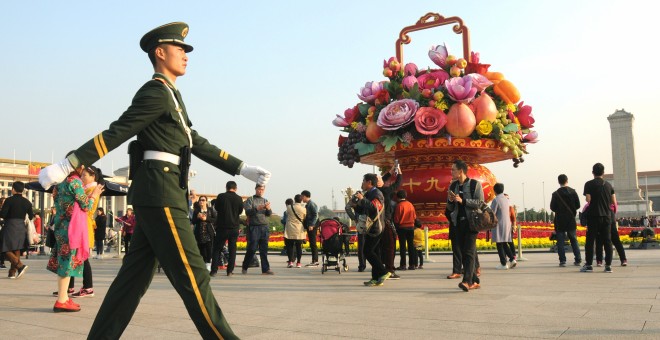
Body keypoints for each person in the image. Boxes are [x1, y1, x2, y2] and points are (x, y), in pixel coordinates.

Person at [37, 22, 270, 339]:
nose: (186, 55)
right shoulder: (155, 92)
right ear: (160, 52)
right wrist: (70, 163)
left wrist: (240, 167)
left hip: (159, 193)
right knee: (194, 275)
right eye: (180, 49)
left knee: (131, 281)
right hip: (161, 195)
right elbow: (118, 130)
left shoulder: (172, 95)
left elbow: (194, 140)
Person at [48, 167, 103, 312]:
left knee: (64, 263)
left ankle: (64, 297)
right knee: (67, 265)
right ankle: (61, 300)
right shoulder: (75, 182)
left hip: (61, 227)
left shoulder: (59, 183)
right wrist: (95, 194)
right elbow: (86, 206)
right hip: (72, 229)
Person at [446, 160, 484, 291]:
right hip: (457, 223)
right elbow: (449, 207)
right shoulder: (453, 186)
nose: (451, 172)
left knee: (468, 252)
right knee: (464, 252)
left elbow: (480, 202)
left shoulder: (475, 184)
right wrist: (451, 201)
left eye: (453, 170)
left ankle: (467, 281)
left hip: (471, 222)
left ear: (460, 171)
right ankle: (474, 280)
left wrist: (463, 201)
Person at [67, 165, 105, 298]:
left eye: (85, 175)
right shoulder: (85, 189)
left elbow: (87, 208)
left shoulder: (92, 189)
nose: (82, 177)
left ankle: (88, 287)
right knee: (74, 255)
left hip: (84, 225)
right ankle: (69, 286)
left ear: (93, 177)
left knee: (83, 257)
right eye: (81, 175)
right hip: (80, 224)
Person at [580, 163, 617, 274]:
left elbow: (588, 199)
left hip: (593, 216)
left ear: (593, 172)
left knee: (590, 241)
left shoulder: (589, 184)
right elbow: (614, 202)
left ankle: (589, 265)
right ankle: (608, 266)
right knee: (607, 241)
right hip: (606, 216)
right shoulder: (609, 185)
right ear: (603, 172)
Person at [357, 173, 391, 286]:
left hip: (377, 227)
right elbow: (365, 209)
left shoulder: (377, 193)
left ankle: (384, 272)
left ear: (369, 182)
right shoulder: (369, 193)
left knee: (367, 251)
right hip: (371, 226)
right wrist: (356, 203)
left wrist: (363, 199)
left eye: (363, 181)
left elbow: (374, 207)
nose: (362, 184)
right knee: (375, 252)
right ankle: (376, 278)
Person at [0, 181, 34, 279]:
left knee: (4, 247)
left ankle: (20, 266)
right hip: (21, 226)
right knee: (16, 248)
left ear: (13, 189)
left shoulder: (9, 200)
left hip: (10, 225)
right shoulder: (27, 202)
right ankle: (12, 273)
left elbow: (3, 215)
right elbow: (31, 216)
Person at [211, 181, 244, 277]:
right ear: (236, 188)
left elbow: (216, 208)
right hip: (234, 227)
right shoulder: (239, 198)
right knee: (232, 249)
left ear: (226, 187)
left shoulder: (221, 196)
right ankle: (229, 271)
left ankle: (214, 271)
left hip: (222, 227)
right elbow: (240, 211)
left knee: (217, 249)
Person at [549, 174, 581, 267]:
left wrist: (560, 210)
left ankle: (562, 261)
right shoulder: (573, 192)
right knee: (573, 240)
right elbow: (578, 205)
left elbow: (552, 207)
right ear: (567, 180)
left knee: (560, 241)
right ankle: (578, 259)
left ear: (559, 182)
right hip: (571, 219)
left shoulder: (556, 194)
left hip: (560, 219)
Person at [242, 184, 274, 275]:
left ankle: (265, 269)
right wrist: (257, 208)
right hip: (254, 227)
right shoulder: (250, 200)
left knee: (264, 249)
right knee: (252, 248)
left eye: (262, 190)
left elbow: (269, 214)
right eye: (259, 189)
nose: (261, 191)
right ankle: (245, 266)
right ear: (255, 189)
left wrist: (268, 209)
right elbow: (248, 212)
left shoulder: (265, 200)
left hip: (264, 227)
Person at [378, 167, 402, 279]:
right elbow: (397, 184)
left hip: (377, 223)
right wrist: (399, 173)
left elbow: (380, 180)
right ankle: (389, 269)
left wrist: (390, 172)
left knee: (380, 247)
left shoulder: (374, 192)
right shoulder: (385, 191)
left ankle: (381, 268)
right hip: (386, 222)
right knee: (390, 246)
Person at [490, 183, 516, 270]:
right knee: (504, 242)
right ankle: (512, 259)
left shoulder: (496, 200)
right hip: (507, 223)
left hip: (499, 224)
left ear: (495, 191)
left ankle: (503, 263)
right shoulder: (506, 199)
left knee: (499, 243)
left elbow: (492, 213)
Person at [393, 189, 417, 270]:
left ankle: (403, 265)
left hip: (402, 228)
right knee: (411, 246)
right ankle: (412, 264)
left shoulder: (399, 205)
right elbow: (414, 217)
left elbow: (396, 218)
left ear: (398, 197)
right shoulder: (410, 204)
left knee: (402, 247)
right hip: (411, 227)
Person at [192, 196, 217, 271]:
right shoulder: (196, 210)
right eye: (200, 200)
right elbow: (193, 221)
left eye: (203, 200)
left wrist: (206, 219)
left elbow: (215, 219)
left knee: (209, 248)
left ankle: (208, 264)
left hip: (209, 232)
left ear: (206, 201)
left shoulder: (210, 210)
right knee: (201, 249)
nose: (201, 201)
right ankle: (204, 263)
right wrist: (197, 217)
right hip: (199, 233)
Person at [345, 190, 366, 272]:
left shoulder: (354, 197)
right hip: (370, 223)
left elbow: (347, 207)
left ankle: (362, 265)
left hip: (360, 222)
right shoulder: (368, 196)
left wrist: (354, 218)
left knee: (361, 246)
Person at [284, 195, 306, 268]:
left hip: (290, 228)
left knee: (289, 246)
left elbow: (287, 214)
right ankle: (298, 263)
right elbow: (304, 217)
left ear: (294, 200)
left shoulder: (289, 207)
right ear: (301, 200)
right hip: (299, 229)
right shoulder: (303, 209)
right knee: (299, 247)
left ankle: (290, 262)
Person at [301, 190, 319, 267]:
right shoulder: (308, 204)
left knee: (313, 243)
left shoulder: (311, 204)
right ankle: (314, 260)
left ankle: (315, 260)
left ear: (305, 196)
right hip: (310, 225)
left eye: (302, 196)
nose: (301, 198)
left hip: (312, 226)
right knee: (312, 243)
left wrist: (312, 225)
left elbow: (316, 215)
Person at [0, 197, 7, 270]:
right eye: (3, 201)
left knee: (3, 247)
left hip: (4, 230)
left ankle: (2, 262)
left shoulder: (7, 210)